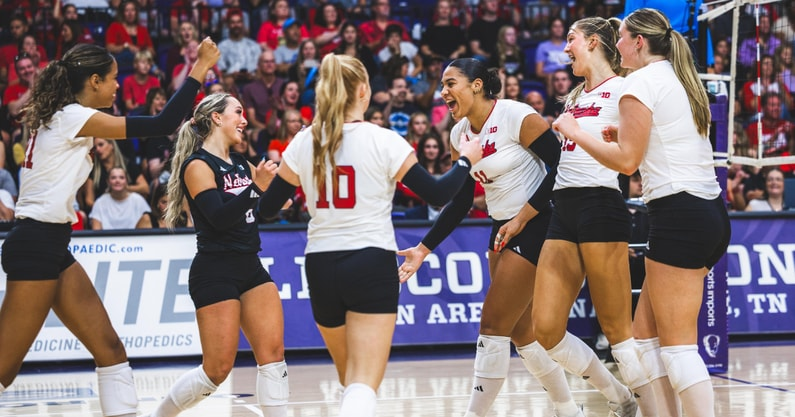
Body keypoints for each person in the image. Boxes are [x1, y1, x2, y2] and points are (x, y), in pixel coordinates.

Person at [255, 53, 484, 417]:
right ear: (363, 90)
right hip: (370, 262)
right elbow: (438, 193)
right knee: (363, 384)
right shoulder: (384, 139)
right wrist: (466, 159)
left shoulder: (303, 140)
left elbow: (267, 210)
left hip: (319, 264)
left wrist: (265, 184)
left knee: (350, 380)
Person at [0, 38, 219, 417]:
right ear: (95, 81)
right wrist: (200, 67)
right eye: (114, 78)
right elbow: (163, 124)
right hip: (36, 244)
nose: (119, 85)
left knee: (111, 351)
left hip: (51, 244)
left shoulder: (64, 116)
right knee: (3, 367)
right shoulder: (73, 116)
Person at [552, 8, 731, 417]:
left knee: (678, 350)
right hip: (705, 213)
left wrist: (577, 133)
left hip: (679, 215)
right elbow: (667, 138)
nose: (616, 44)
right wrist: (623, 135)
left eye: (621, 36)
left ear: (638, 42)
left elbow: (627, 163)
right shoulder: (680, 77)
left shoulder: (639, 83)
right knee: (644, 338)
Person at [396, 58, 578, 417]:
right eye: (442, 85)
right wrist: (424, 248)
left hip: (536, 221)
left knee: (493, 325)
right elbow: (461, 201)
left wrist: (524, 217)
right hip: (501, 226)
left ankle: (473, 414)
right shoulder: (458, 134)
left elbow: (561, 166)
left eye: (450, 83)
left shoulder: (516, 115)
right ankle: (572, 409)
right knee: (522, 332)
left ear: (477, 85)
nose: (443, 92)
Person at [531, 16, 653, 417]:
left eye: (571, 39)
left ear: (595, 42)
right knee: (545, 328)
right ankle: (619, 396)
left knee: (619, 334)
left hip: (600, 205)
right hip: (563, 209)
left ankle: (653, 409)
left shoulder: (624, 89)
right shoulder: (575, 97)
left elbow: (633, 156)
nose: (565, 48)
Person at [145, 92, 288, 417]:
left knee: (273, 356)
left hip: (250, 266)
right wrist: (257, 188)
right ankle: (160, 415)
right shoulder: (197, 165)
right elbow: (219, 217)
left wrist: (288, 180)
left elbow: (266, 206)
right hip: (215, 271)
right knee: (217, 370)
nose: (244, 120)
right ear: (216, 118)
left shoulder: (240, 163)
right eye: (238, 112)